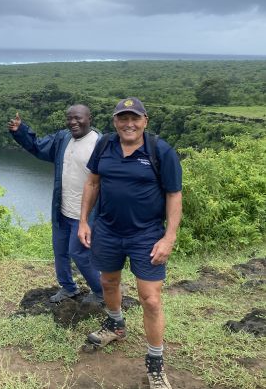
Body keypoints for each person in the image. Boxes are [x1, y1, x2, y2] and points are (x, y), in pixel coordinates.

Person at [78, 97, 182, 389]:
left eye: (134, 118)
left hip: (146, 235)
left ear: (145, 120)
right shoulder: (105, 145)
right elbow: (93, 183)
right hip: (108, 230)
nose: (129, 124)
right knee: (108, 282)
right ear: (115, 122)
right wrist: (84, 221)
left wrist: (169, 237)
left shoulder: (160, 151)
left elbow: (174, 195)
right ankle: (115, 324)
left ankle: (155, 362)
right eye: (122, 119)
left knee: (150, 298)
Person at [8, 104, 103, 304]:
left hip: (86, 215)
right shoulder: (63, 138)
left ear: (90, 118)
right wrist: (21, 131)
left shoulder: (100, 143)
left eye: (78, 118)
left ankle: (101, 292)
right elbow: (39, 147)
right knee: (60, 251)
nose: (73, 122)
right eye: (69, 118)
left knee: (79, 253)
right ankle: (68, 287)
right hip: (62, 209)